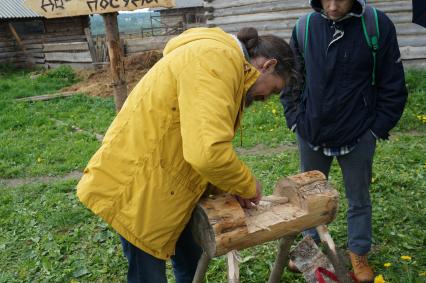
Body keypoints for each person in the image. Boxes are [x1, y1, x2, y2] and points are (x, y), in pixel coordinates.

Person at [77, 27, 295, 283]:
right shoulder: (216, 60)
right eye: (272, 90)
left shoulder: (218, 59)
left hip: (166, 183)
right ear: (268, 65)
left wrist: (227, 186)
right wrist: (247, 185)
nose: (264, 97)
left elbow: (195, 137)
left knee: (190, 264)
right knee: (147, 276)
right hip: (139, 186)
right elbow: (207, 152)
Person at [280, 0, 408, 282]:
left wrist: (375, 130)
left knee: (359, 198)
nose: (333, 6)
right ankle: (309, 250)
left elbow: (393, 83)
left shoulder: (376, 25)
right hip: (311, 130)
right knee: (308, 197)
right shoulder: (305, 27)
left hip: (359, 130)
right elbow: (291, 77)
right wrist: (295, 120)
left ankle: (358, 252)